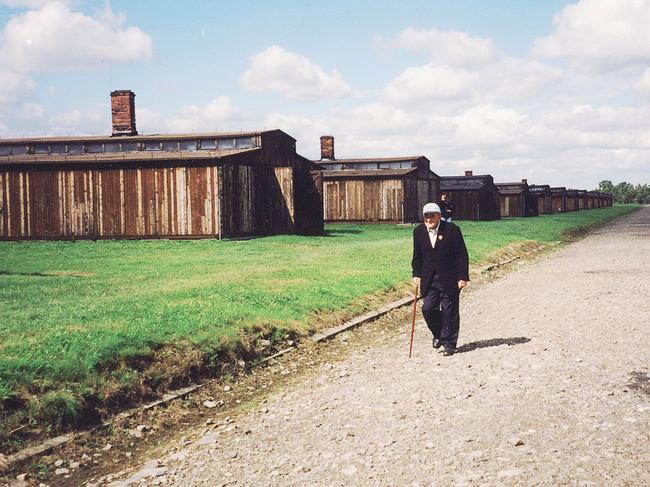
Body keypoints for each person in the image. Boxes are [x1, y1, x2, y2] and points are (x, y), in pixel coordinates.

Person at [411, 203, 469, 356]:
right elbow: (417, 256)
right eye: (426, 216)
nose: (429, 219)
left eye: (432, 215)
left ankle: (450, 343)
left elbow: (461, 255)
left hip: (449, 277)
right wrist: (416, 274)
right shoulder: (418, 232)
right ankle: (438, 334)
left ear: (439, 216)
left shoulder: (452, 230)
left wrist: (462, 277)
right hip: (429, 278)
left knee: (449, 311)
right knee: (428, 309)